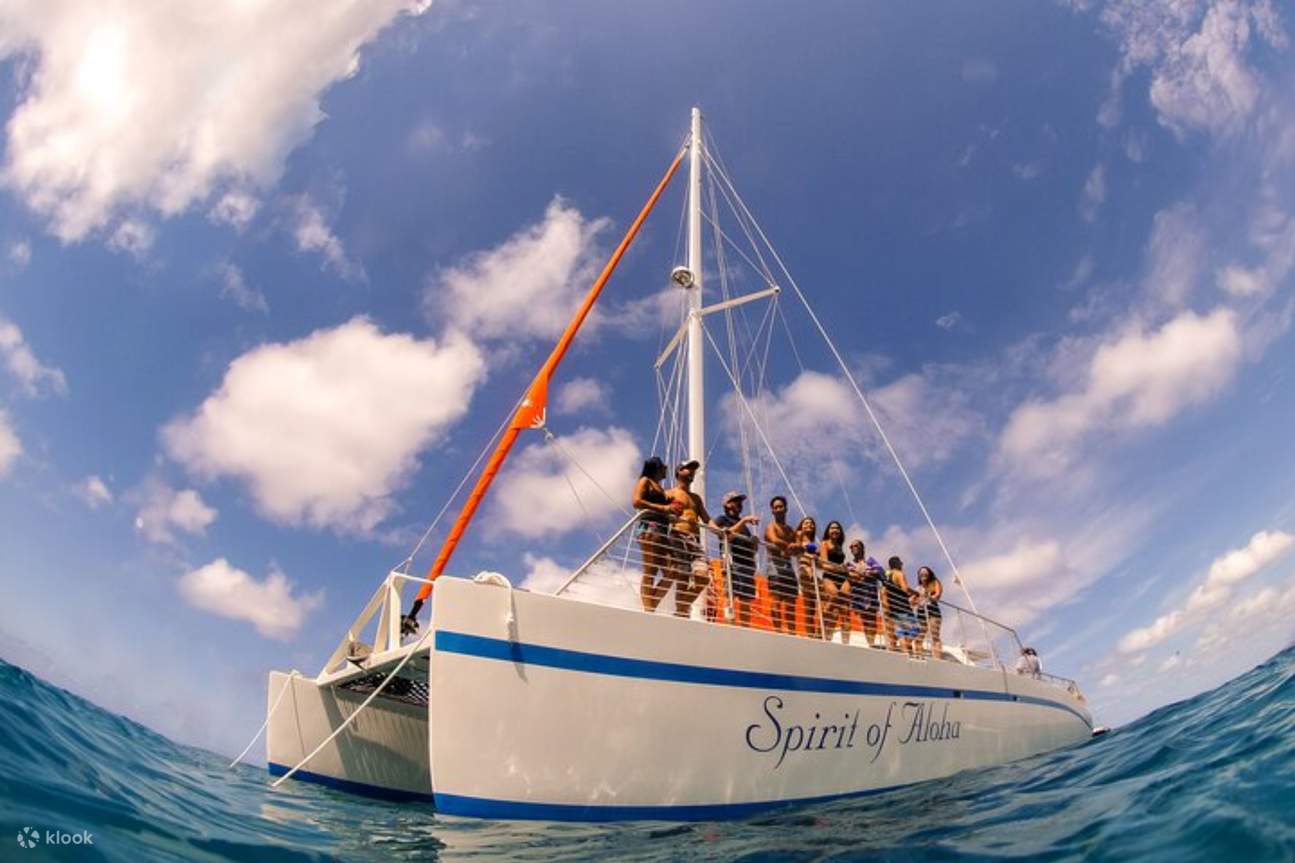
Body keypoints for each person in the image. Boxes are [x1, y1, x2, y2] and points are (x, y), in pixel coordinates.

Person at [631, 456, 680, 612]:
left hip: (663, 529)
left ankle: (651, 606)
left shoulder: (660, 489)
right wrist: (663, 508)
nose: (667, 469)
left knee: (673, 569)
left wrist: (670, 509)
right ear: (657, 468)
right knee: (650, 569)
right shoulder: (645, 481)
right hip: (649, 526)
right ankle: (649, 609)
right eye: (664, 467)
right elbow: (636, 501)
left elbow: (663, 509)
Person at [665, 460, 712, 618]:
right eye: (688, 468)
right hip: (677, 535)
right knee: (682, 577)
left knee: (703, 577)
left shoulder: (696, 498)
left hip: (695, 540)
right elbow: (660, 512)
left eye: (693, 470)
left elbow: (706, 519)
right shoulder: (670, 493)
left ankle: (681, 609)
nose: (692, 471)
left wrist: (721, 531)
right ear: (678, 471)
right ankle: (682, 613)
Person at [713, 491, 760, 627]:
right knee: (730, 596)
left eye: (740, 501)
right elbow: (726, 536)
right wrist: (744, 520)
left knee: (746, 599)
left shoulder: (744, 526)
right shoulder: (722, 519)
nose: (739, 504)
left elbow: (753, 550)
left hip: (747, 566)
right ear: (727, 504)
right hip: (732, 563)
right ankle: (729, 625)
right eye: (736, 500)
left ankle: (745, 628)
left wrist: (754, 543)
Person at [763, 496, 799, 634]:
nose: (778, 509)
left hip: (788, 567)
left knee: (790, 603)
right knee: (776, 600)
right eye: (775, 507)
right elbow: (774, 539)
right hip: (775, 566)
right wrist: (790, 547)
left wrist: (793, 548)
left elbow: (800, 548)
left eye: (780, 506)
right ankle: (777, 631)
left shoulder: (790, 530)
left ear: (786, 509)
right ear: (772, 511)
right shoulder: (771, 527)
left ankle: (792, 632)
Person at [843, 540, 882, 647]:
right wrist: (865, 575)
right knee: (865, 620)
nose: (853, 548)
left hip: (870, 594)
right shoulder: (849, 564)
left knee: (872, 620)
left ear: (862, 548)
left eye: (856, 545)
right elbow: (850, 576)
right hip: (858, 595)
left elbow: (880, 572)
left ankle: (872, 643)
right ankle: (870, 643)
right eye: (851, 546)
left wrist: (867, 573)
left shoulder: (870, 561)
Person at [818, 521, 850, 638]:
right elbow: (824, 565)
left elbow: (840, 564)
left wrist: (844, 569)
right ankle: (823, 636)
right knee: (835, 598)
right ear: (828, 531)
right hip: (830, 576)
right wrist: (840, 568)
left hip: (842, 578)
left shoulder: (840, 547)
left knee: (844, 611)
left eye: (837, 528)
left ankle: (845, 644)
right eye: (832, 528)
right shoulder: (824, 544)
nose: (835, 530)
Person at [793, 516, 823, 638]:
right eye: (806, 523)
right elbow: (797, 549)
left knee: (814, 605)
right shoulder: (799, 534)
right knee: (810, 605)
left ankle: (818, 633)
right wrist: (811, 556)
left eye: (811, 523)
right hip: (804, 569)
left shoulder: (812, 541)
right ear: (801, 525)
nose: (809, 525)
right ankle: (813, 634)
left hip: (813, 570)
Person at [883, 556, 919, 654]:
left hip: (893, 608)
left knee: (901, 632)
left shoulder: (887, 577)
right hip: (903, 606)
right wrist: (915, 593)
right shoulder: (899, 574)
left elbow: (884, 593)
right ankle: (906, 650)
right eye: (901, 563)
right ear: (897, 563)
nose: (902, 565)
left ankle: (905, 654)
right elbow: (905, 589)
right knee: (916, 630)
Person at [915, 566, 944, 659]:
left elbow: (938, 594)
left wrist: (930, 597)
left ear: (929, 574)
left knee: (934, 636)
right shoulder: (918, 588)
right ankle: (919, 657)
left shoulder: (934, 582)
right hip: (921, 612)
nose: (923, 574)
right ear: (919, 576)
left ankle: (937, 660)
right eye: (921, 573)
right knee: (918, 637)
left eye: (925, 572)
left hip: (932, 610)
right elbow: (913, 600)